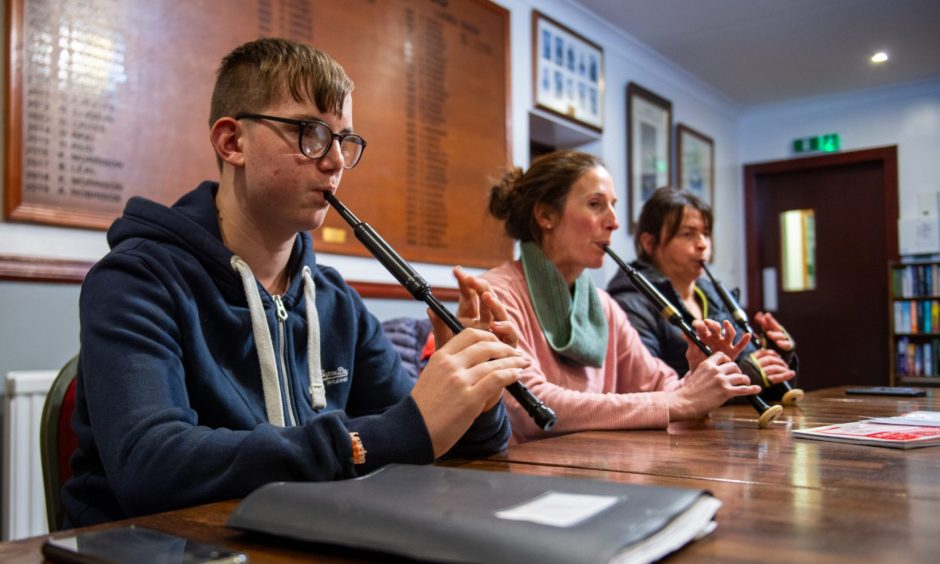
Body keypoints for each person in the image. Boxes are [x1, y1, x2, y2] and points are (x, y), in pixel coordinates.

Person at [62, 38, 529, 527]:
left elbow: (429, 441)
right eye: (311, 133)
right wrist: (389, 434)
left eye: (344, 141)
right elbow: (149, 466)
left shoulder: (335, 301)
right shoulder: (137, 279)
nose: (335, 162)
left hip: (295, 536)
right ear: (232, 142)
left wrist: (477, 397)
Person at [481, 150, 762, 443]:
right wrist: (679, 402)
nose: (614, 222)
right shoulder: (495, 295)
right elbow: (531, 407)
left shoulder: (603, 306)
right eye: (595, 205)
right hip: (522, 480)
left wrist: (701, 374)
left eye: (613, 206)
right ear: (546, 215)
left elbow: (660, 384)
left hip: (595, 470)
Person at [606, 186, 797, 396]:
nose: (702, 244)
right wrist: (741, 375)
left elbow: (750, 361)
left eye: (705, 233)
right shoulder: (630, 302)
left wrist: (776, 356)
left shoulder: (712, 293)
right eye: (688, 234)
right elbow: (647, 388)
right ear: (649, 243)